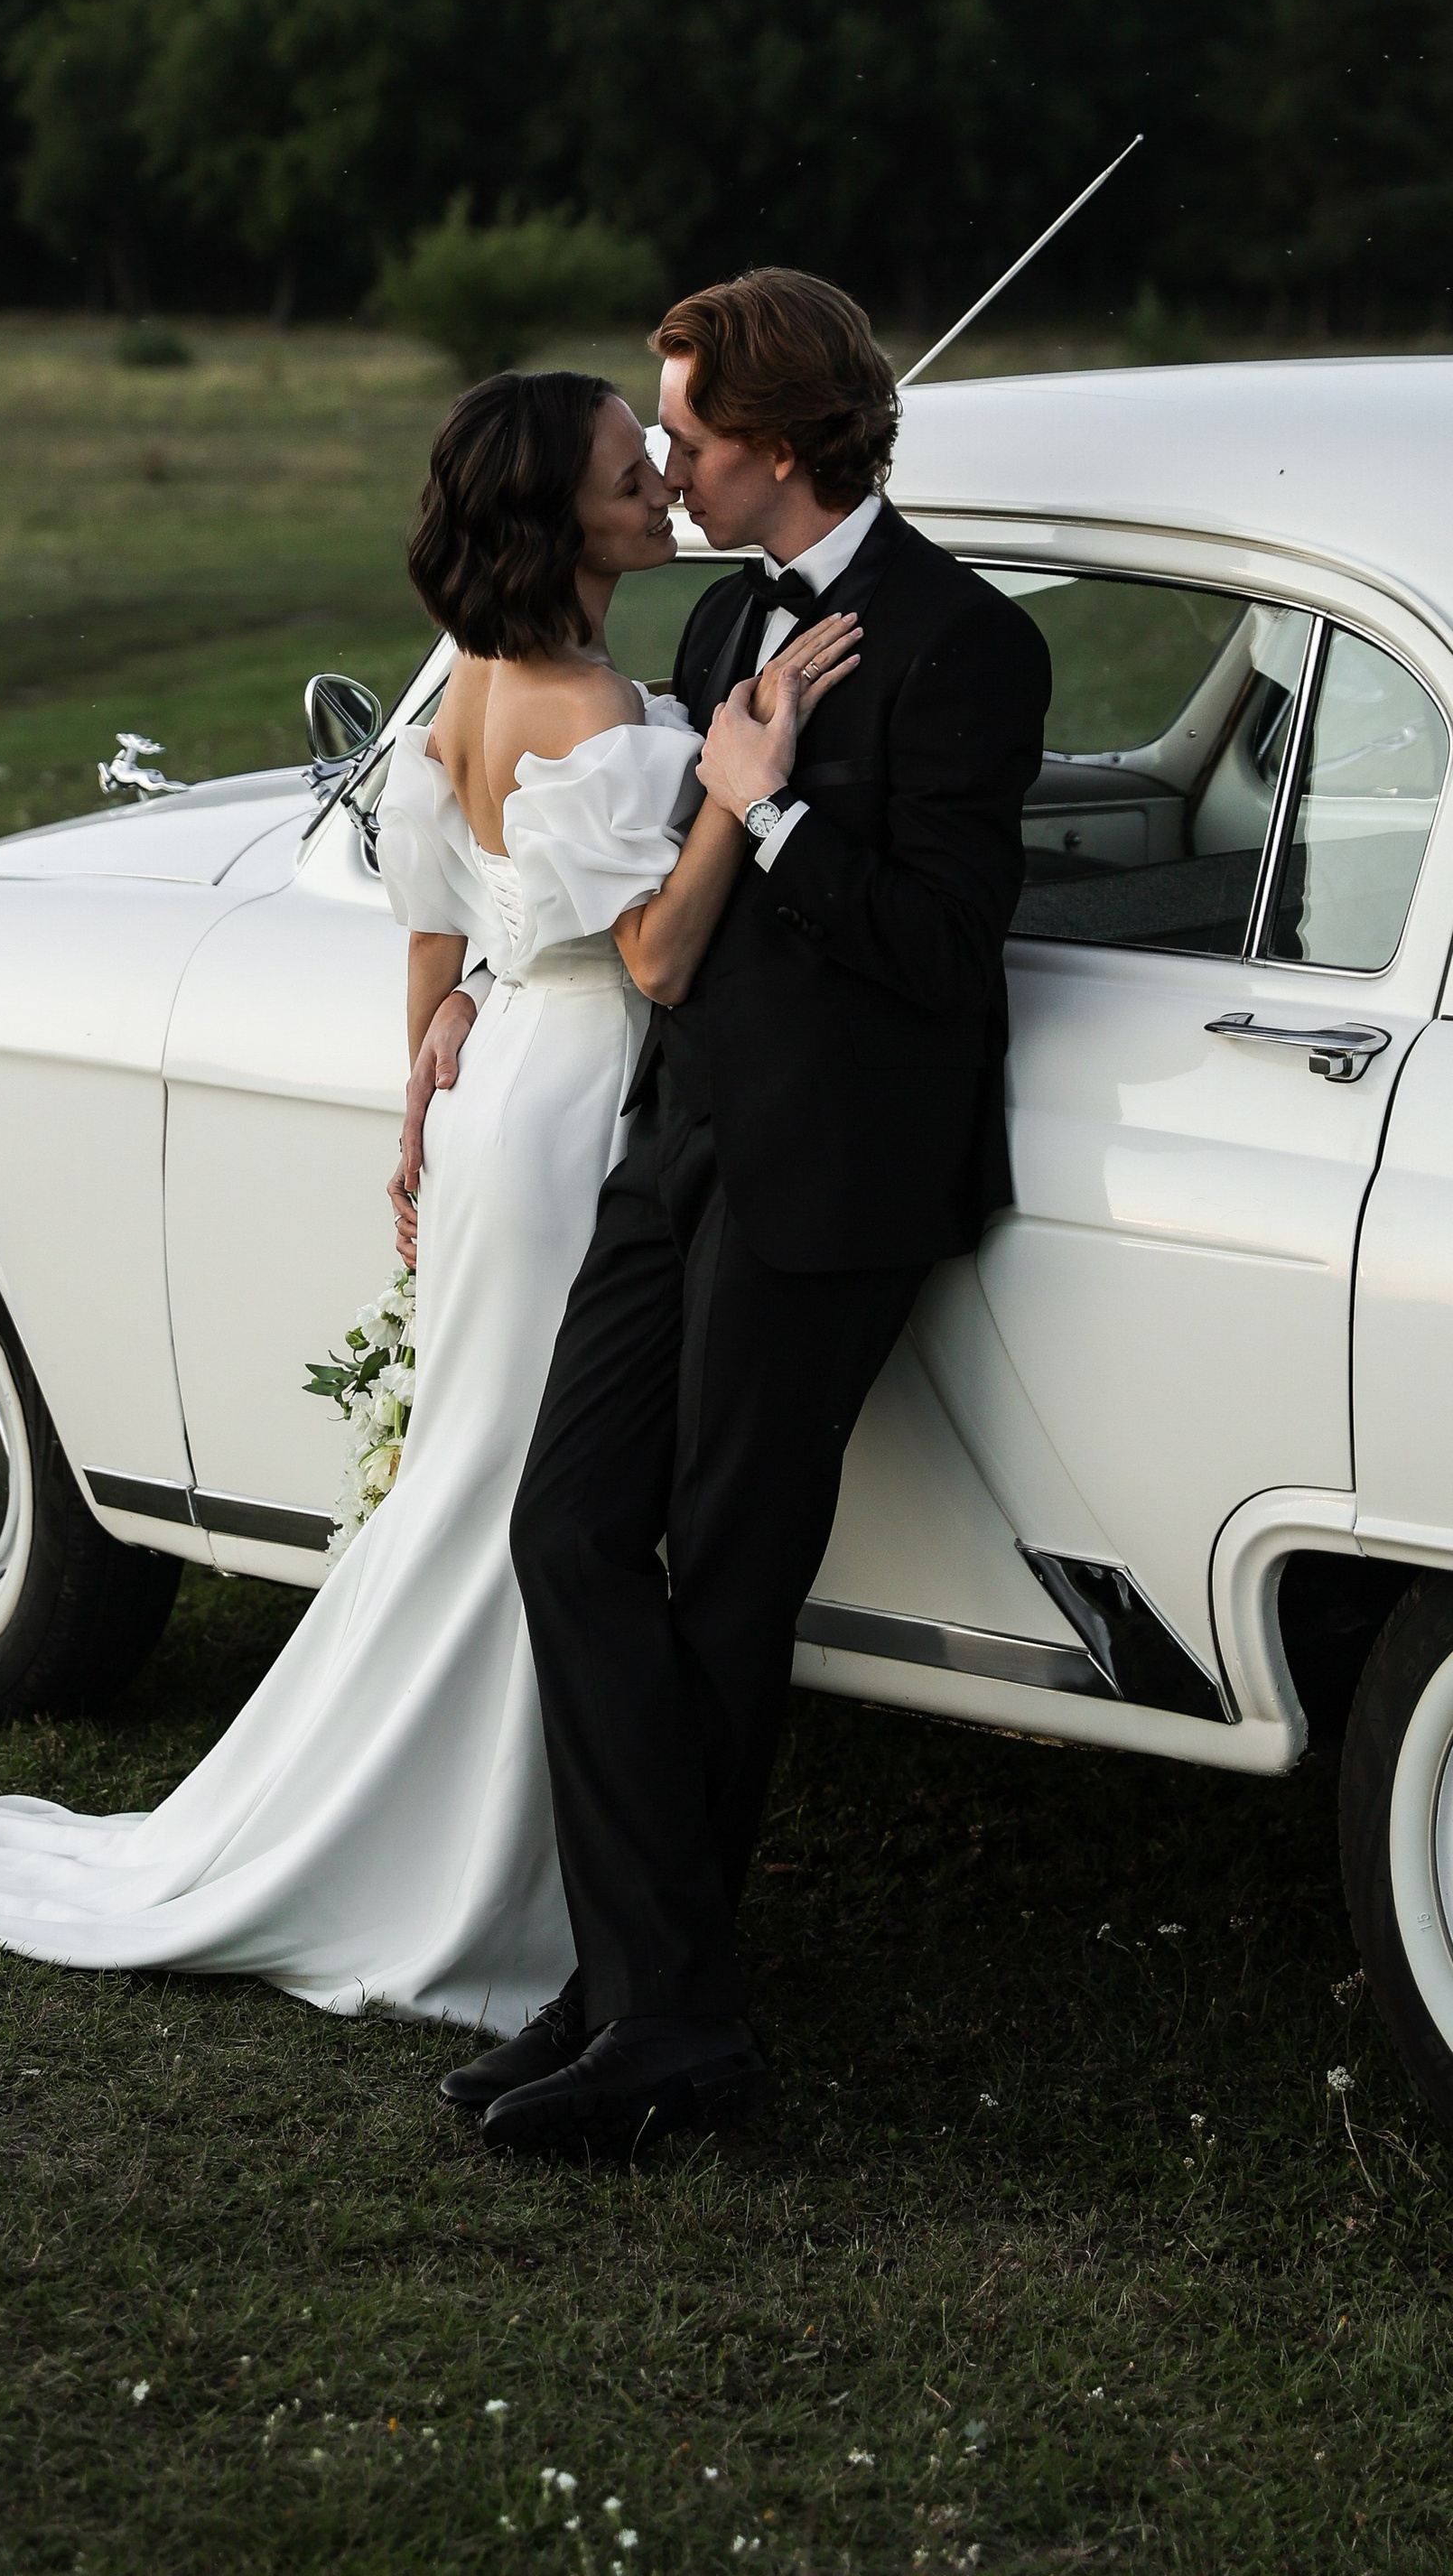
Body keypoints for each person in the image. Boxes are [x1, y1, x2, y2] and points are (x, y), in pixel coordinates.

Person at [0, 369, 857, 2033]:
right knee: (540, 1492)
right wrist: (736, 786)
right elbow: (655, 956)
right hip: (574, 1115)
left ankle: (499, 1840)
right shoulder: (592, 710)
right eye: (626, 472)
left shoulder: (469, 684)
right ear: (553, 518)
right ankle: (497, 1872)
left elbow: (436, 930)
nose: (657, 485)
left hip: (502, 1098)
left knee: (487, 1471)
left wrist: (430, 1081)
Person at [415, 270, 1051, 2155]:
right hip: (676, 1133)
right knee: (565, 1528)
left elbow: (941, 948)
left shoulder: (965, 644)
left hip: (835, 1176)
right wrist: (476, 981)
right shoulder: (715, 614)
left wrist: (763, 807)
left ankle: (655, 2018)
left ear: (773, 444)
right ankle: (645, 1986)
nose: (666, 467)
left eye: (684, 436)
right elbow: (639, 890)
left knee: (723, 1576)